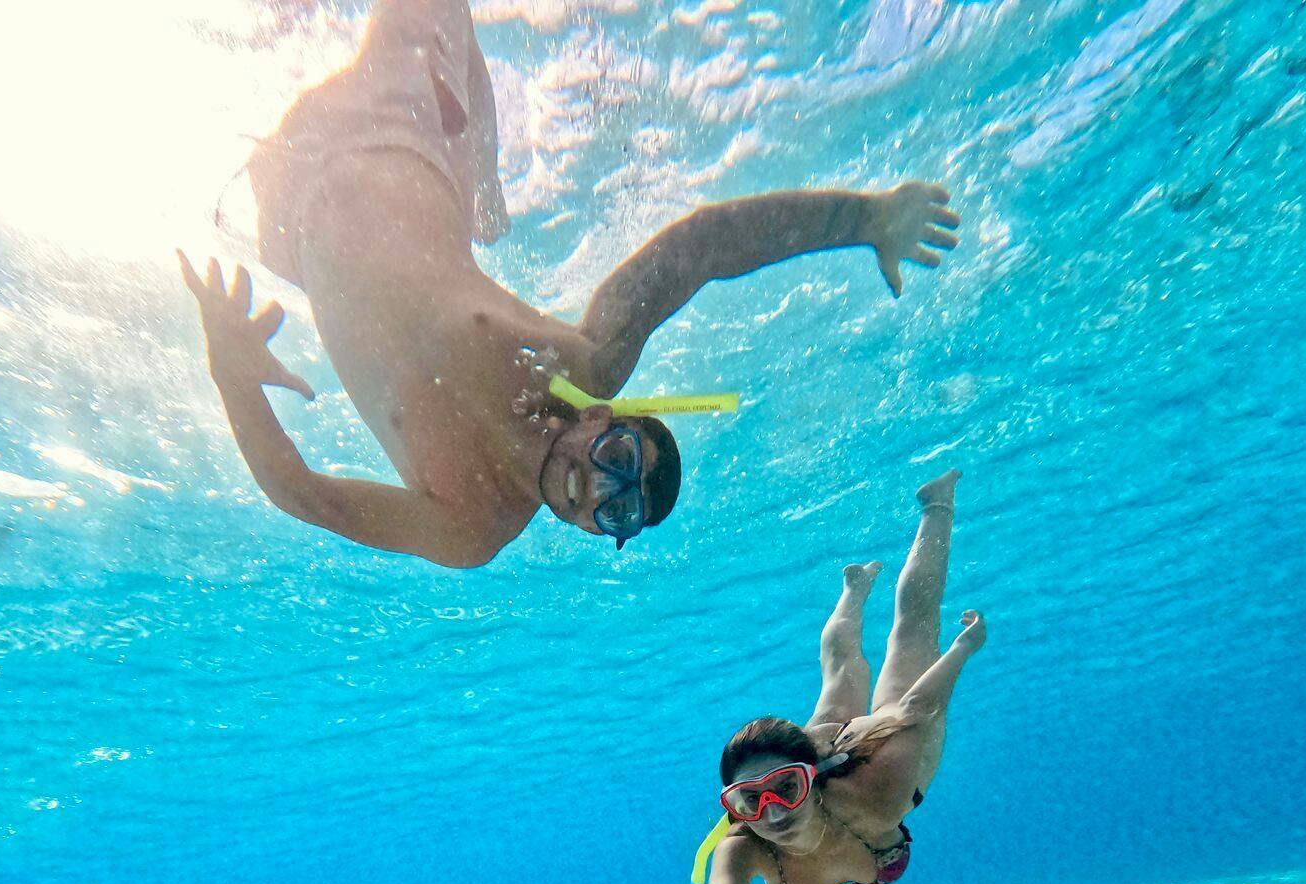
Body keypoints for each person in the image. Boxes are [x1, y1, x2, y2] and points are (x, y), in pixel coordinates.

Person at [177, 0, 961, 569]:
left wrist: (231, 372)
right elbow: (702, 248)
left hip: (285, 224)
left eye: (615, 514)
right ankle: (480, 175)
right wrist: (864, 218)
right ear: (607, 419)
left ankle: (482, 182)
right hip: (390, 128)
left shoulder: (467, 527)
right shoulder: (580, 361)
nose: (597, 488)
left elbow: (304, 494)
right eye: (619, 456)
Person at [636, 469, 984, 884]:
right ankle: (854, 589)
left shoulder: (881, 784)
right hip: (833, 755)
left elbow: (918, 709)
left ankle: (937, 505)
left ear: (812, 781)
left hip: (872, 744)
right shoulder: (744, 848)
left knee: (912, 635)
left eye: (785, 788)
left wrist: (962, 649)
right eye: (750, 801)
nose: (771, 811)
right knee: (842, 672)